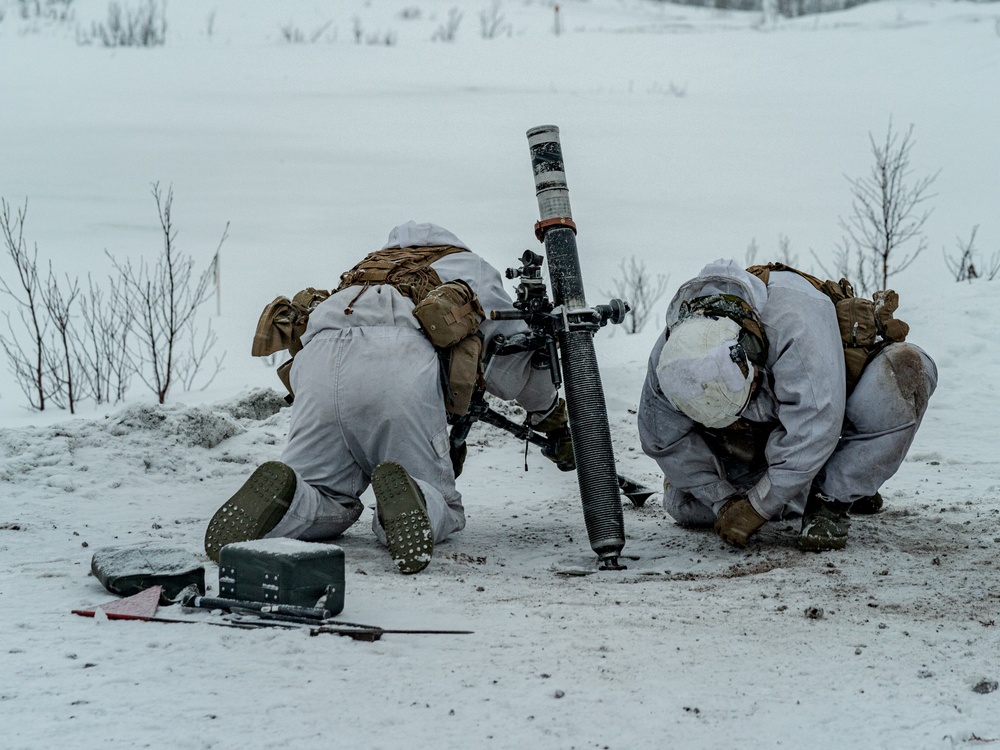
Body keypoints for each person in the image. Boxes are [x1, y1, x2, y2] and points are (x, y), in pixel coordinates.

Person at [204, 222, 570, 573]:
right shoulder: (467, 265)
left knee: (326, 495)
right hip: (397, 363)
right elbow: (511, 363)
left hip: (315, 365)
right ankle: (417, 499)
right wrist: (548, 413)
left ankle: (285, 505)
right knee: (441, 503)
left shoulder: (367, 268)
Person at [638, 258, 937, 551]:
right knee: (686, 506)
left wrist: (757, 507)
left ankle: (830, 498)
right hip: (755, 442)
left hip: (823, 415)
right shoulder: (671, 360)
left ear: (750, 354)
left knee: (907, 369)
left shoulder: (795, 324)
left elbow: (815, 427)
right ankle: (804, 487)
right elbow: (662, 438)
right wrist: (723, 501)